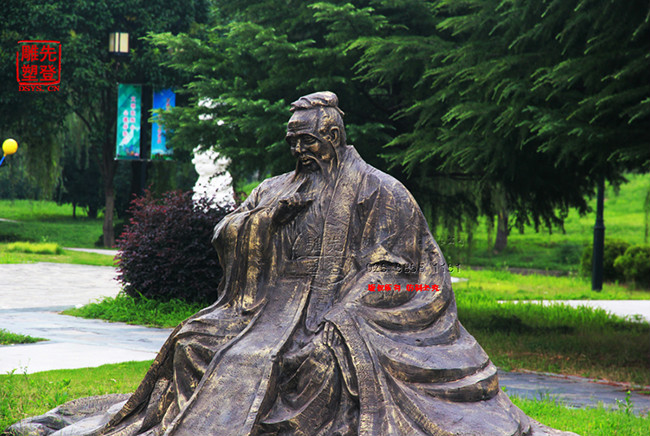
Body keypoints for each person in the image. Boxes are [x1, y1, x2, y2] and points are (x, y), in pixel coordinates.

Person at [7, 92, 576, 436]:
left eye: (308, 142)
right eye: (292, 142)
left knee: (319, 361)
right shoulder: (275, 188)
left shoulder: (381, 191)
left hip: (346, 311)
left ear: (334, 136)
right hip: (265, 309)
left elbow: (403, 270)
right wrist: (264, 221)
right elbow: (224, 234)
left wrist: (345, 314)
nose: (299, 151)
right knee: (193, 342)